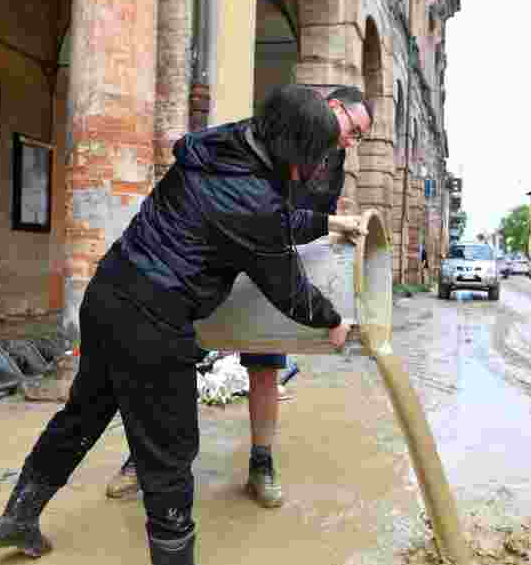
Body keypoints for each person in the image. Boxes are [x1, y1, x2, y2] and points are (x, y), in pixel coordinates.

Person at [0, 85, 354, 565]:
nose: (313, 169)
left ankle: (18, 517)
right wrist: (334, 321)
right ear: (296, 148)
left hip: (109, 292)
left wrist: (324, 222)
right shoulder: (254, 198)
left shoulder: (222, 148)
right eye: (314, 156)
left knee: (81, 416)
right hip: (154, 319)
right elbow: (287, 287)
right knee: (170, 449)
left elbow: (269, 218)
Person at [104, 86, 374, 509]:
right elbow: (257, 206)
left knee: (265, 365)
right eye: (354, 131)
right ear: (334, 108)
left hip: (274, 262)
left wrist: (333, 224)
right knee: (170, 355)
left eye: (358, 139)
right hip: (215, 260)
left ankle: (261, 464)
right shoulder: (276, 129)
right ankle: (141, 459)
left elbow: (293, 224)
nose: (350, 142)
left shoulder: (332, 163)